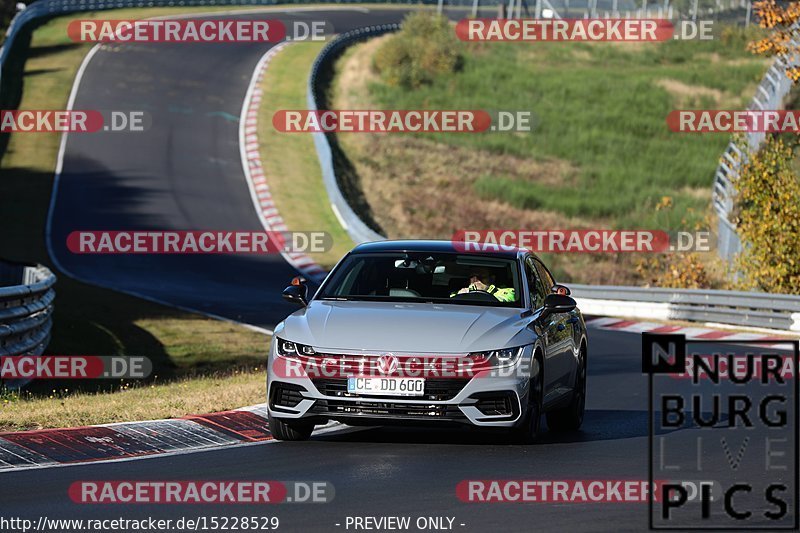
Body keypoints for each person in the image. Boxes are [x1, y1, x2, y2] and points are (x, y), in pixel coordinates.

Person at [450, 267, 516, 302]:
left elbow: (507, 301)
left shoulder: (508, 292)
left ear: (492, 279)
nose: (476, 280)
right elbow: (449, 305)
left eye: (481, 277)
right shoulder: (461, 293)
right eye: (472, 276)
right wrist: (461, 296)